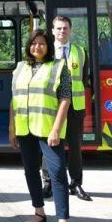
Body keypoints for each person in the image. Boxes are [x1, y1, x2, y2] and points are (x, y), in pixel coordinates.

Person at [9, 29, 79, 222]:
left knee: (57, 172)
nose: (37, 47)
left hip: (49, 129)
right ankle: (39, 212)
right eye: (33, 43)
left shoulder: (59, 67)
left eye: (41, 43)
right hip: (24, 128)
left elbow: (65, 99)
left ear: (48, 46)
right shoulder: (20, 68)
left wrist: (56, 129)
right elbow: (14, 100)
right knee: (30, 171)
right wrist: (11, 128)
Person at [41, 16, 92, 201]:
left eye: (65, 28)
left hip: (75, 107)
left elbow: (84, 79)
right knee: (50, 144)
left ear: (70, 30)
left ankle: (76, 184)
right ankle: (48, 183)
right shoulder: (45, 52)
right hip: (51, 106)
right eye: (59, 28)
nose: (62, 31)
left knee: (76, 146)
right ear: (52, 31)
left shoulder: (81, 51)